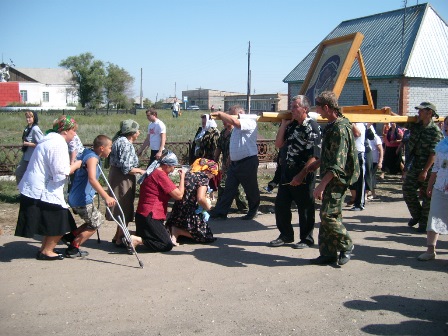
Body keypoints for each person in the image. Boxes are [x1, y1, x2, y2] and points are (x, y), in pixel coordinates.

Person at [15, 115, 82, 260]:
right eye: (73, 131)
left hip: (37, 188)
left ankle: (44, 249)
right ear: (65, 130)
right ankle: (47, 251)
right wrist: (76, 165)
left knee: (51, 221)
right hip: (43, 189)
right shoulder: (58, 144)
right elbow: (60, 171)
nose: (74, 134)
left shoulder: (48, 140)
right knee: (61, 221)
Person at [307, 91, 359, 266]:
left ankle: (347, 244)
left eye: (319, 107)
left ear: (327, 108)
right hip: (331, 176)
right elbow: (332, 154)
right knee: (328, 215)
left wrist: (320, 186)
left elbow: (338, 164)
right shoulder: (332, 125)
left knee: (328, 215)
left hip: (338, 179)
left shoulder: (339, 128)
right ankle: (328, 253)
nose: (317, 111)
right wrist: (318, 163)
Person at [269, 95, 321, 249]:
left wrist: (301, 175)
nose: (292, 109)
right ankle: (286, 235)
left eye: (295, 106)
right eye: (291, 106)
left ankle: (306, 238)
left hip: (304, 172)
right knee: (281, 205)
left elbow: (315, 156)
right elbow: (279, 144)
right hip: (287, 171)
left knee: (305, 207)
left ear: (305, 108)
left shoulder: (312, 126)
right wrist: (284, 125)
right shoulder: (292, 126)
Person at [62, 135, 116, 258]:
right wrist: (106, 197)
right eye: (110, 147)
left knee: (93, 220)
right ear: (102, 148)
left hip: (77, 196)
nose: (111, 150)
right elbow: (92, 179)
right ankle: (74, 247)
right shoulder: (92, 158)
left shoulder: (89, 153)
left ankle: (70, 236)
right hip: (82, 198)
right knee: (97, 222)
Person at [210, 105, 260, 220]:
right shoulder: (235, 129)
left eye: (232, 114)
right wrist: (230, 157)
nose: (229, 118)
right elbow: (235, 143)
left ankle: (253, 210)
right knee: (229, 188)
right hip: (235, 163)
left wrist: (221, 114)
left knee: (250, 188)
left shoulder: (249, 121)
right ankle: (221, 212)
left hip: (248, 161)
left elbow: (236, 122)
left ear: (241, 112)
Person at [129, 151, 185, 252]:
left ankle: (136, 235)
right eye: (173, 167)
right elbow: (179, 195)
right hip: (151, 214)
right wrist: (182, 179)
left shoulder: (154, 172)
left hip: (143, 214)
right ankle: (138, 239)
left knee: (159, 236)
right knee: (166, 244)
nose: (173, 170)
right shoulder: (160, 175)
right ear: (167, 165)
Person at [403, 102, 443, 232]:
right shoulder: (417, 125)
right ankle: (417, 215)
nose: (418, 113)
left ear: (429, 113)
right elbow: (400, 122)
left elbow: (434, 153)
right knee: (407, 189)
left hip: (429, 166)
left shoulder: (435, 131)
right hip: (416, 163)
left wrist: (425, 171)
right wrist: (388, 113)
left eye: (421, 111)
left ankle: (424, 224)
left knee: (427, 196)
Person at [107, 120, 146, 246]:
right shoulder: (125, 144)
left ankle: (118, 235)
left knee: (122, 206)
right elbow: (127, 168)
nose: (139, 133)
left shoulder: (119, 141)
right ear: (132, 132)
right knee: (123, 207)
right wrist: (141, 171)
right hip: (122, 178)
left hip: (118, 176)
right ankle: (120, 238)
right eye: (137, 131)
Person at [167, 158, 219, 245]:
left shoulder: (187, 174)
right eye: (213, 173)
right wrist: (209, 208)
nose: (213, 176)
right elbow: (200, 198)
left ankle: (174, 234)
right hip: (189, 214)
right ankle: (178, 231)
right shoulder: (203, 178)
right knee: (206, 236)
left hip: (177, 212)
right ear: (207, 170)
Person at [417, 116, 448, 260]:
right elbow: (436, 167)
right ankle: (430, 250)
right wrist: (430, 185)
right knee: (434, 217)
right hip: (440, 187)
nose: (447, 128)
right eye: (446, 125)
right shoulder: (441, 144)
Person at [214, 118, 248, 213]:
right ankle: (221, 208)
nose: (223, 122)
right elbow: (219, 147)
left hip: (235, 163)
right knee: (227, 185)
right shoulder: (224, 132)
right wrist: (215, 160)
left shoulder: (236, 132)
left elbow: (237, 147)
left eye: (225, 120)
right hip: (226, 164)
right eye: (222, 120)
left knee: (232, 186)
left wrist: (229, 161)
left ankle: (243, 208)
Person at [15, 111, 43, 185]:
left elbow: (41, 143)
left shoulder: (35, 129)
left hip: (32, 157)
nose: (28, 119)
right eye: (27, 117)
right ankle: (22, 192)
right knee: (19, 173)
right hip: (26, 155)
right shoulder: (27, 127)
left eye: (30, 117)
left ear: (34, 118)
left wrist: (28, 144)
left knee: (30, 176)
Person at [347, 122, 366, 211]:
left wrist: (352, 123)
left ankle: (360, 204)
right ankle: (355, 200)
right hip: (350, 153)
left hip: (359, 153)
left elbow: (357, 133)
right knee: (351, 180)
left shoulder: (359, 124)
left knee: (360, 180)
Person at [366, 129, 383, 200]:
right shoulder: (365, 137)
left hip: (374, 160)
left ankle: (366, 194)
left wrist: (380, 161)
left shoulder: (376, 138)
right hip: (367, 160)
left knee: (370, 177)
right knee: (370, 177)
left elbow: (381, 150)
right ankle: (373, 193)